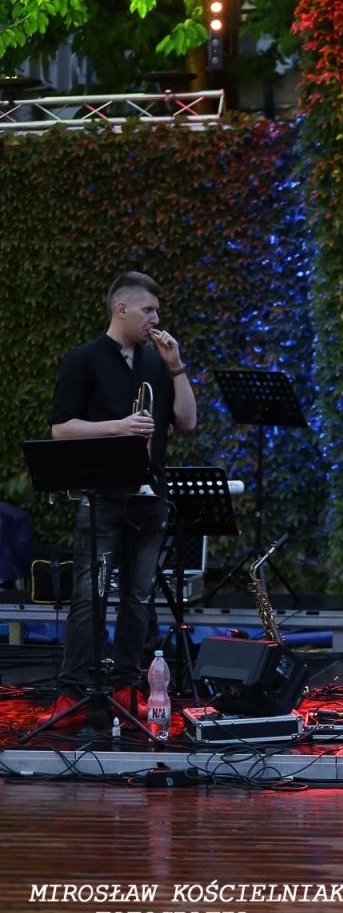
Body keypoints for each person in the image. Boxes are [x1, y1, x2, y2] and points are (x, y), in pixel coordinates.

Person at [39, 272, 197, 729]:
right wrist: (119, 428)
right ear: (121, 309)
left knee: (138, 599)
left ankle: (128, 689)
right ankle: (73, 692)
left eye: (157, 311)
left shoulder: (156, 362)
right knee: (89, 597)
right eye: (148, 310)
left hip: (150, 497)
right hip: (102, 497)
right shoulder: (84, 359)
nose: (155, 319)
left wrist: (176, 367)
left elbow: (186, 421)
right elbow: (61, 428)